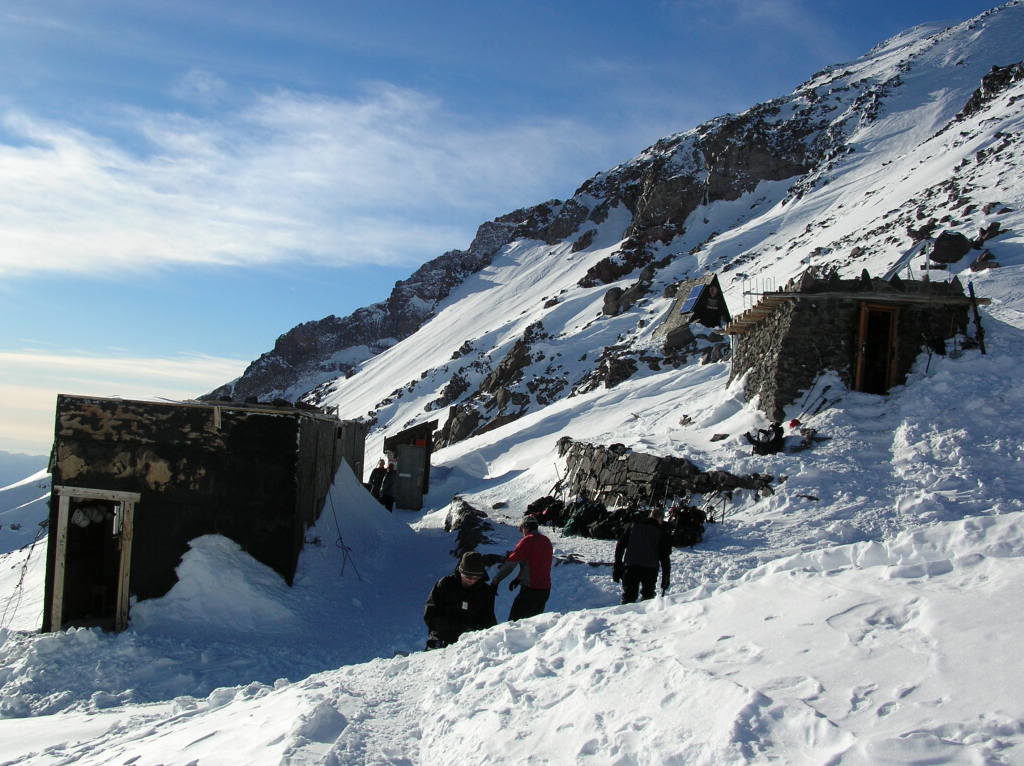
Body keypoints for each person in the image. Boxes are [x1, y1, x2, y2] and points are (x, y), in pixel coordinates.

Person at [423, 551, 497, 649]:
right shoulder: (445, 584)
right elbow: (430, 613)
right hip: (442, 635)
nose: (471, 580)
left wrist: (473, 632)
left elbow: (489, 620)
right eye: (467, 576)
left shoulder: (485, 592)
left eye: (476, 577)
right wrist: (446, 629)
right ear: (460, 571)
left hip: (470, 640)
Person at [491, 516, 553, 620]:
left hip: (530, 591)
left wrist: (495, 581)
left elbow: (510, 564)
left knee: (514, 623)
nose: (522, 532)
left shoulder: (527, 541)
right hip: (545, 591)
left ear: (526, 527)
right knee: (532, 624)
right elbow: (537, 564)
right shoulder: (546, 541)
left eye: (521, 529)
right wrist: (519, 578)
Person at [613, 510, 671, 603]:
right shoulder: (661, 532)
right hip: (650, 569)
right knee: (647, 597)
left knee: (628, 597)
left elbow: (620, 546)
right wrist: (666, 577)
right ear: (660, 518)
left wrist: (617, 565)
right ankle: (645, 616)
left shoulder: (633, 526)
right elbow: (665, 557)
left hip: (631, 566)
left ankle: (626, 615)